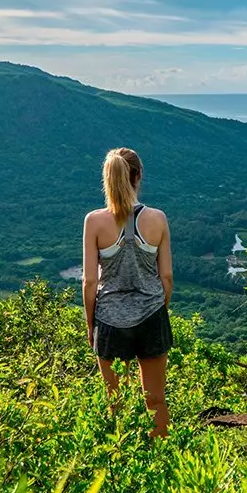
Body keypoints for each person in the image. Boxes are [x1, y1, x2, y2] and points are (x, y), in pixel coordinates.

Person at [82, 147, 174, 437]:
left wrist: (90, 323)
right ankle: (160, 456)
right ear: (138, 176)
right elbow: (167, 276)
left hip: (109, 320)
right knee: (155, 399)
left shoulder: (94, 221)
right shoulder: (157, 218)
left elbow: (89, 282)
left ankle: (120, 465)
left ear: (107, 179)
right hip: (151, 316)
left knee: (114, 402)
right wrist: (160, 308)